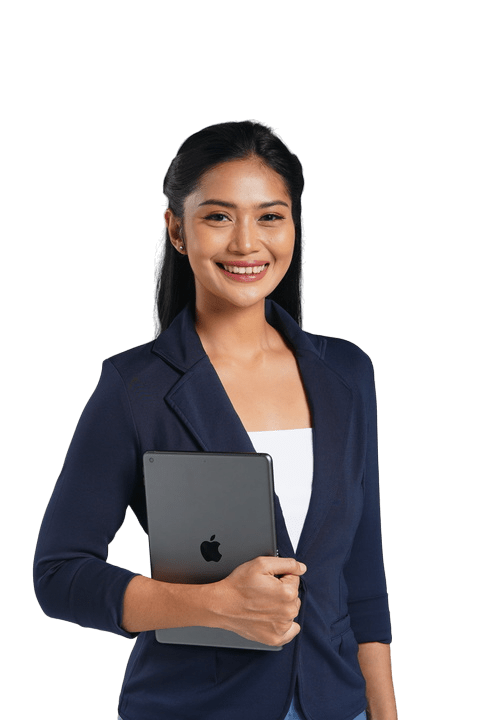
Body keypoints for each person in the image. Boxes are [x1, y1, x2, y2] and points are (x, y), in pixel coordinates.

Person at [33, 119, 397, 720]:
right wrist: (208, 605)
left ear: (294, 226)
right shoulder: (134, 388)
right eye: (218, 216)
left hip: (339, 706)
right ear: (177, 230)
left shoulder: (348, 373)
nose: (247, 244)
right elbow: (59, 574)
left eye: (270, 216)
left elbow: (363, 579)